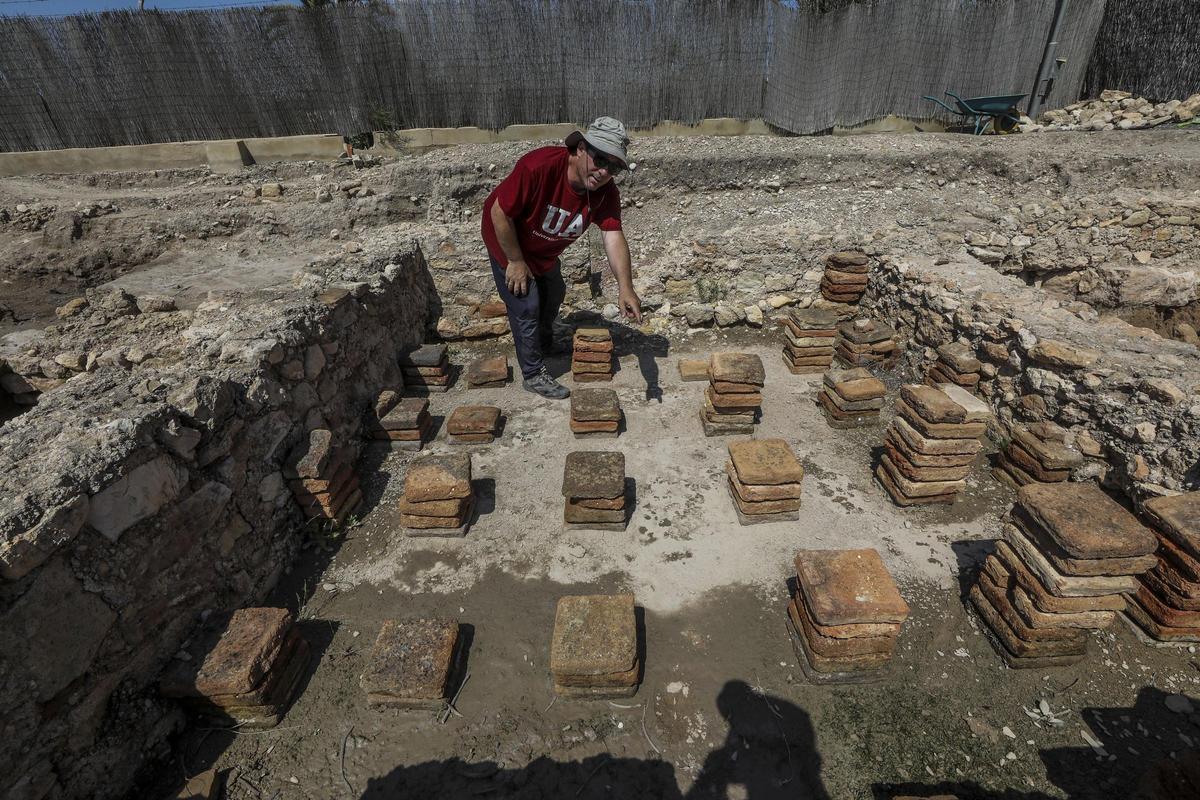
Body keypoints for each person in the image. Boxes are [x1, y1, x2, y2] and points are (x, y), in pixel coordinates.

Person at [481, 116, 643, 399]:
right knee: (526, 302)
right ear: (581, 148)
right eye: (601, 160)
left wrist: (625, 287)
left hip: (542, 250)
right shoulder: (539, 167)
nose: (605, 171)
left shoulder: (605, 193)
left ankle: (543, 343)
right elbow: (499, 212)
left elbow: (612, 235)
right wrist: (516, 262)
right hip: (508, 241)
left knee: (554, 291)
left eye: (614, 167)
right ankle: (532, 373)